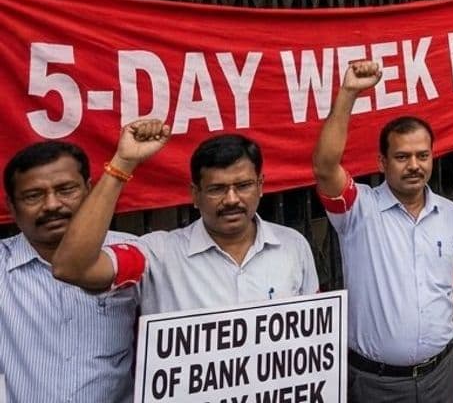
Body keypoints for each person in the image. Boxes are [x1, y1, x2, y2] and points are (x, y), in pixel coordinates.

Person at [311, 61, 453, 402]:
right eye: (402, 157)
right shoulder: (357, 209)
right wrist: (348, 93)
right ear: (382, 162)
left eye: (422, 155)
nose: (414, 166)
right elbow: (325, 166)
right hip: (377, 385)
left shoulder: (450, 215)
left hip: (441, 375)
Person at [52, 124, 318, 315]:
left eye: (244, 186)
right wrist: (122, 163)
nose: (232, 199)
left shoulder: (293, 245)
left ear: (260, 186)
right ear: (195, 194)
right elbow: (72, 269)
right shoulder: (157, 255)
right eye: (216, 189)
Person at [1, 143, 139, 402]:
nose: (52, 205)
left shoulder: (132, 252)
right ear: (11, 206)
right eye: (33, 196)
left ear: (89, 190)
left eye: (66, 190)